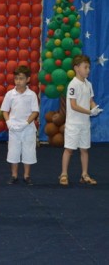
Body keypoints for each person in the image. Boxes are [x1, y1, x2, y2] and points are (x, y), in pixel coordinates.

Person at [59, 55, 102, 186]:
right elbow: (73, 105)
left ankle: (84, 174)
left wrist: (95, 108)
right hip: (73, 124)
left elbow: (90, 101)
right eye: (85, 67)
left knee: (84, 149)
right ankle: (64, 174)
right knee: (69, 149)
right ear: (77, 68)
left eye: (89, 67)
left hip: (85, 124)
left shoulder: (88, 84)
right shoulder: (73, 85)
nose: (88, 70)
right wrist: (90, 112)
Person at [1, 65, 39, 185]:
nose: (18, 81)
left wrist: (26, 123)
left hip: (27, 128)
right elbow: (5, 110)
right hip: (13, 128)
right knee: (13, 151)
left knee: (28, 151)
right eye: (16, 78)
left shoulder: (31, 95)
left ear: (28, 79)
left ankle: (27, 175)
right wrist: (8, 123)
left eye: (21, 78)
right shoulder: (10, 94)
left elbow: (35, 111)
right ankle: (14, 175)